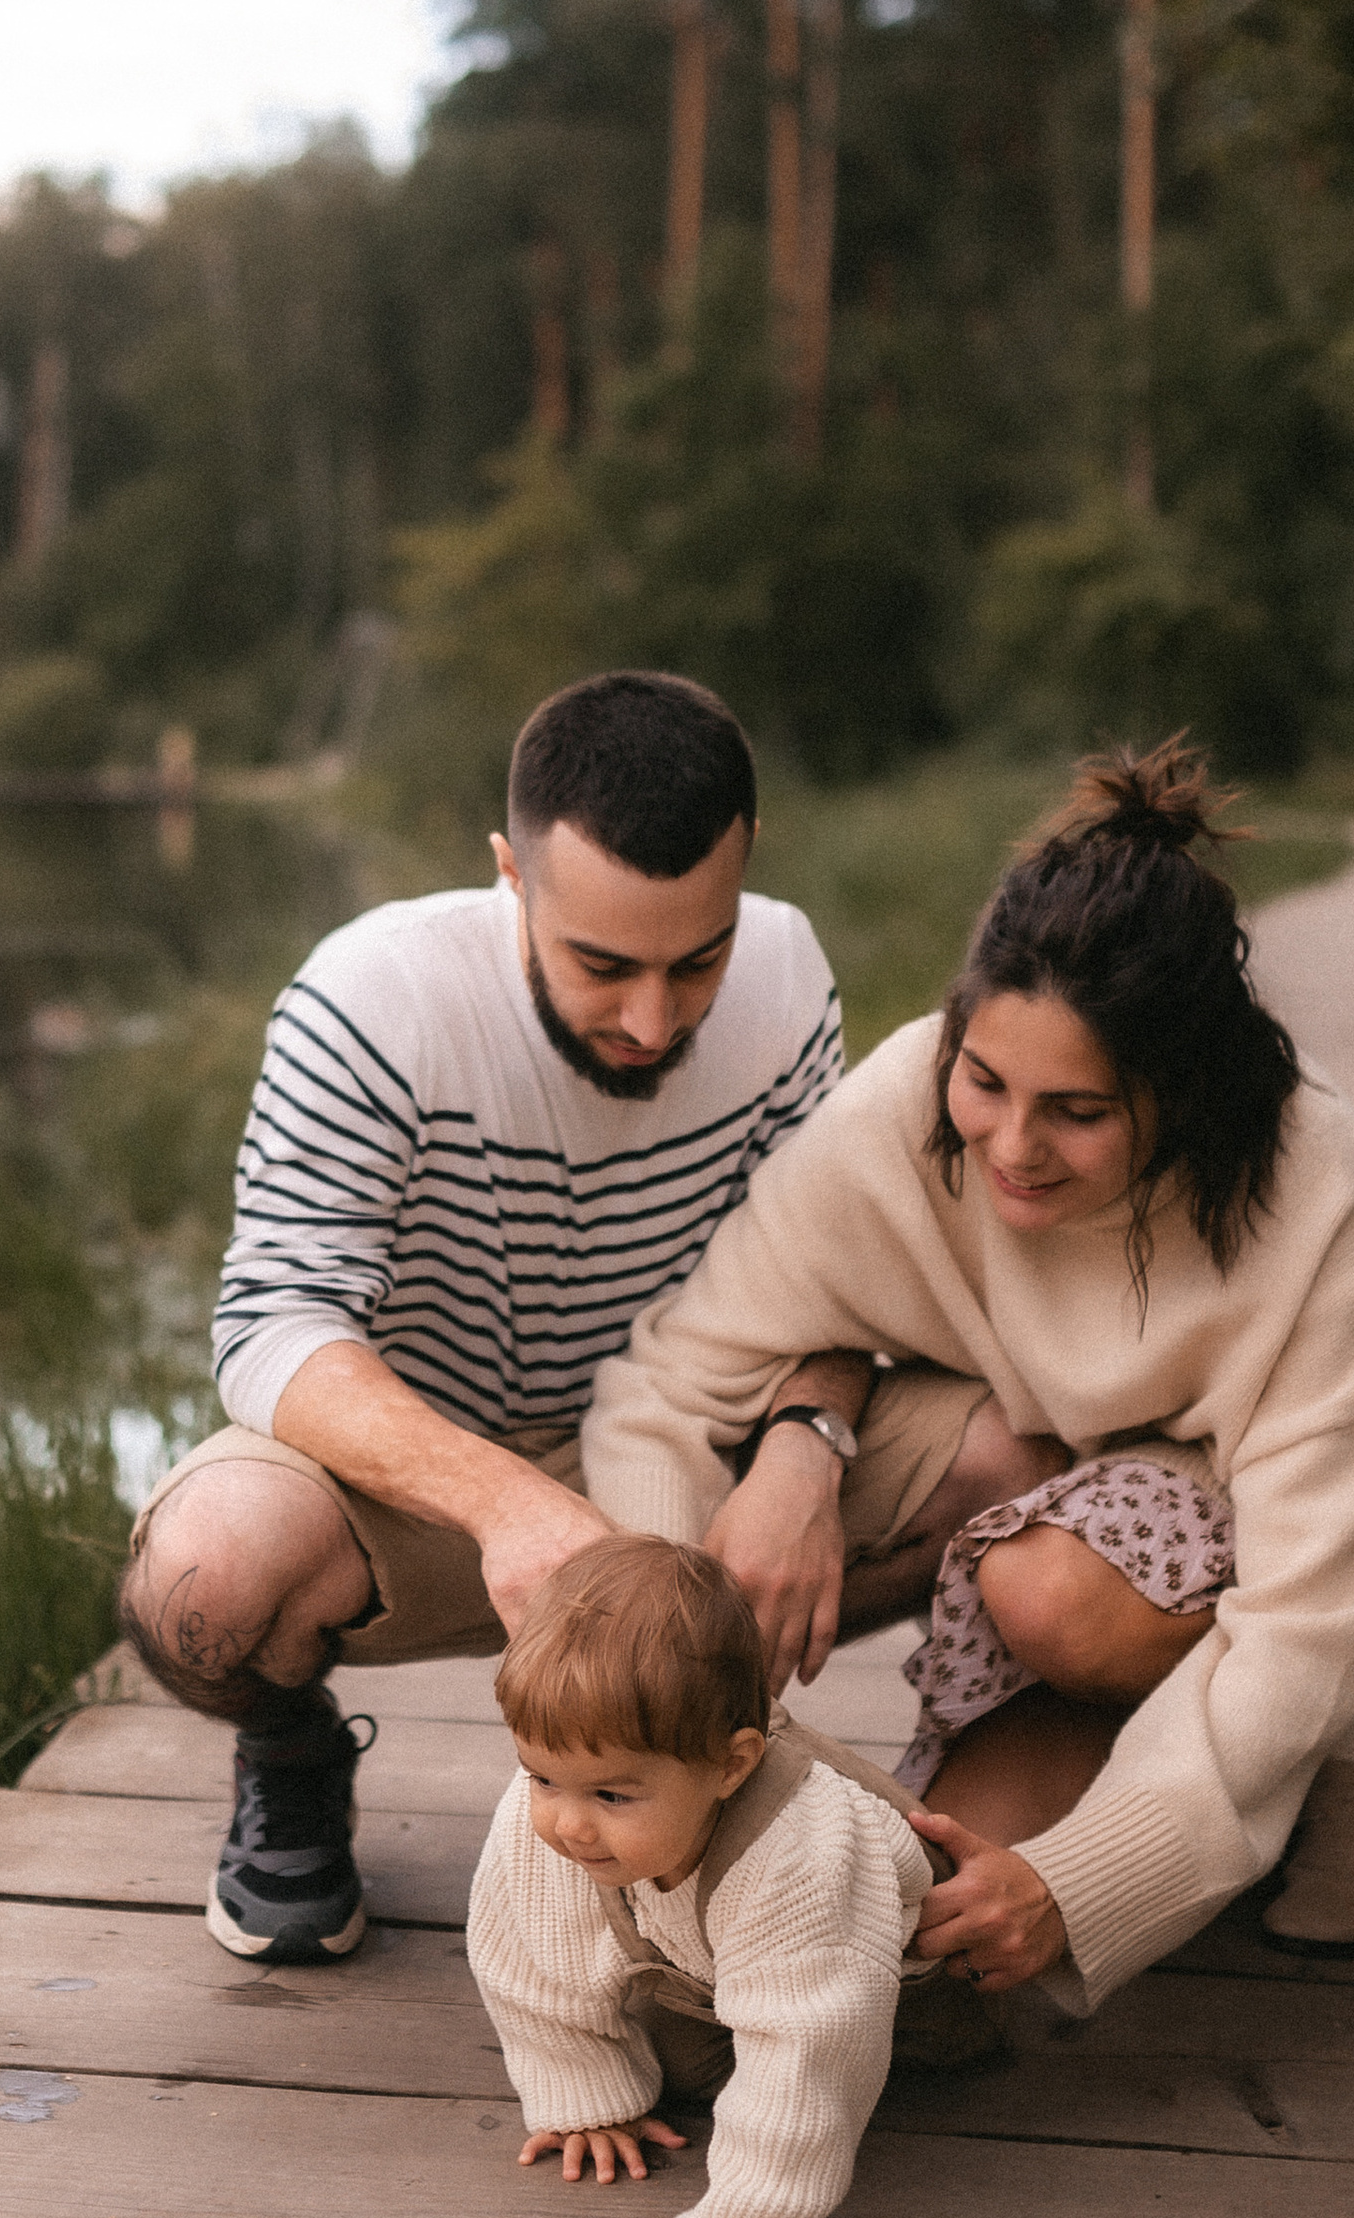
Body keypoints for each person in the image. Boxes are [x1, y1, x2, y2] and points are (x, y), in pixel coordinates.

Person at [582, 743, 1354, 2008]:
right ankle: (1187, 1754)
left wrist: (1078, 1882)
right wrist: (652, 1665)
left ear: (1176, 1095)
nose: (1012, 1145)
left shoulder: (1306, 1178)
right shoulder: (902, 1106)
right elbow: (667, 1384)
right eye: (986, 1079)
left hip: (1313, 1524)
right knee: (933, 1928)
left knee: (1058, 1614)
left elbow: (1307, 1608)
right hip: (1053, 1469)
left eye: (1077, 1109)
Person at [121, 667, 941, 1967]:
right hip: (428, 1488)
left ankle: (979, 1797)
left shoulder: (789, 973)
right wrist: (509, 1504)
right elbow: (275, 1329)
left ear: (748, 870)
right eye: (603, 964)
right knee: (201, 1582)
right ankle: (291, 1749)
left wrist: (806, 1444)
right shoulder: (371, 1001)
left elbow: (827, 1275)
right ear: (512, 871)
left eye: (698, 960)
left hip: (689, 1442)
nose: (653, 1018)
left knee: (1013, 1454)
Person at [468, 1534, 934, 2218]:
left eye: (612, 1794)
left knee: (835, 2061)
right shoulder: (551, 1813)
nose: (567, 1822)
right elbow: (526, 1951)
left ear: (731, 1765)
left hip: (896, 1986)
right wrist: (585, 2093)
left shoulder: (801, 1851)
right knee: (689, 2063)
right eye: (542, 1775)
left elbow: (810, 2050)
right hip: (701, 1972)